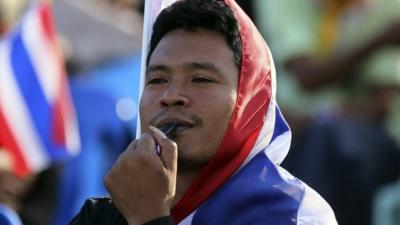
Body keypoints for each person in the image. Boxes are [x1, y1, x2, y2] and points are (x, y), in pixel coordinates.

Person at [69, 0, 338, 224]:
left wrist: (149, 219)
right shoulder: (105, 216)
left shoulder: (294, 214)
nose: (170, 97)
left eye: (201, 79)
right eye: (157, 80)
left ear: (251, 101)